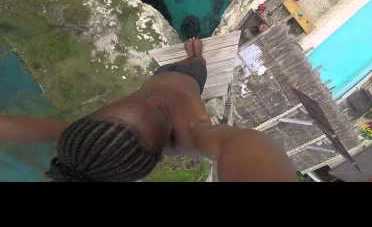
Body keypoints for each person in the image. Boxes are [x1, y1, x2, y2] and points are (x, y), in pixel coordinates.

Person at [0, 38, 296, 182]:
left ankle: (190, 53)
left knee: (174, 65)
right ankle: (196, 57)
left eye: (138, 99)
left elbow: (10, 127)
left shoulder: (91, 139)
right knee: (197, 64)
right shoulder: (194, 135)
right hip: (192, 79)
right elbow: (247, 145)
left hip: (163, 71)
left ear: (93, 117)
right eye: (162, 115)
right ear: (161, 149)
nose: (157, 100)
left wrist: (155, 87)